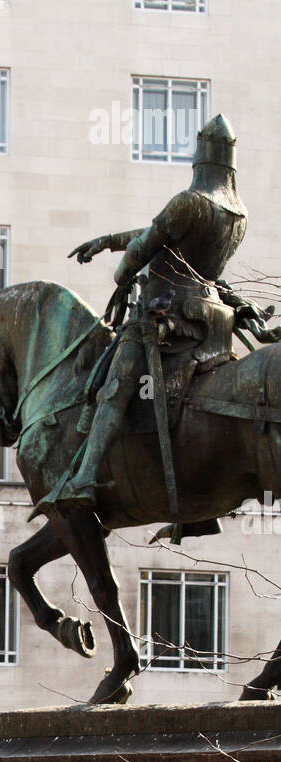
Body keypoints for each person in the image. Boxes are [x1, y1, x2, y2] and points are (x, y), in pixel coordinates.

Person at [37, 114, 259, 516]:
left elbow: (146, 245)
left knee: (114, 386)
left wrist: (122, 272)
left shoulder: (189, 201)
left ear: (199, 160)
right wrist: (108, 241)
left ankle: (85, 476)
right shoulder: (237, 212)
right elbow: (164, 233)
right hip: (212, 323)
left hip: (167, 316)